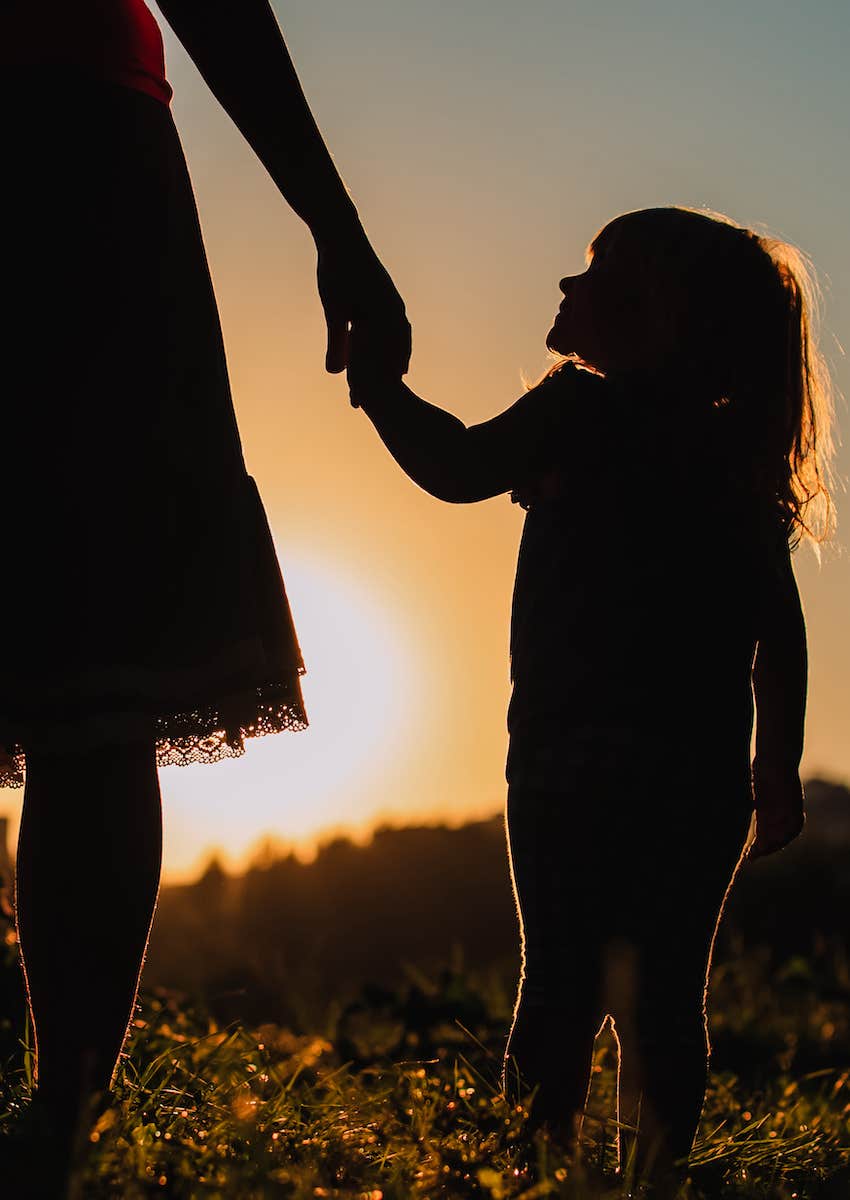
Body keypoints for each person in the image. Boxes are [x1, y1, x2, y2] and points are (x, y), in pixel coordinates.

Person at [1, 0, 409, 1178]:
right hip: (82, 148)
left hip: (83, 152)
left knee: (100, 658)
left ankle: (67, 1113)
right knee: (101, 661)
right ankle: (66, 1111)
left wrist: (334, 223)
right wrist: (335, 224)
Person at [346, 206, 833, 1188]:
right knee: (665, 1002)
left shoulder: (573, 411)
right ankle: (648, 1178)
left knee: (560, 987)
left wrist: (379, 391)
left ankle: (531, 1173)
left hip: (569, 764)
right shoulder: (734, 463)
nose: (566, 289)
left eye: (592, 272)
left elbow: (454, 466)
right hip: (697, 784)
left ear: (652, 311)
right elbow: (774, 634)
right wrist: (772, 767)